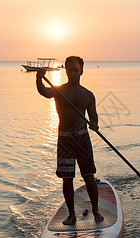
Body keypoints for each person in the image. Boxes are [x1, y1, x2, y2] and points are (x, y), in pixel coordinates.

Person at [36, 56, 104, 225]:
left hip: (82, 139)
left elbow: (94, 117)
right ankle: (71, 214)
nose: (72, 72)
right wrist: (38, 79)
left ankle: (96, 211)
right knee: (67, 179)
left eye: (75, 69)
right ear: (65, 71)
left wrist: (94, 125)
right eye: (69, 69)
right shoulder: (58, 90)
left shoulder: (88, 95)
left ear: (81, 71)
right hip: (65, 139)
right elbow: (44, 91)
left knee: (89, 176)